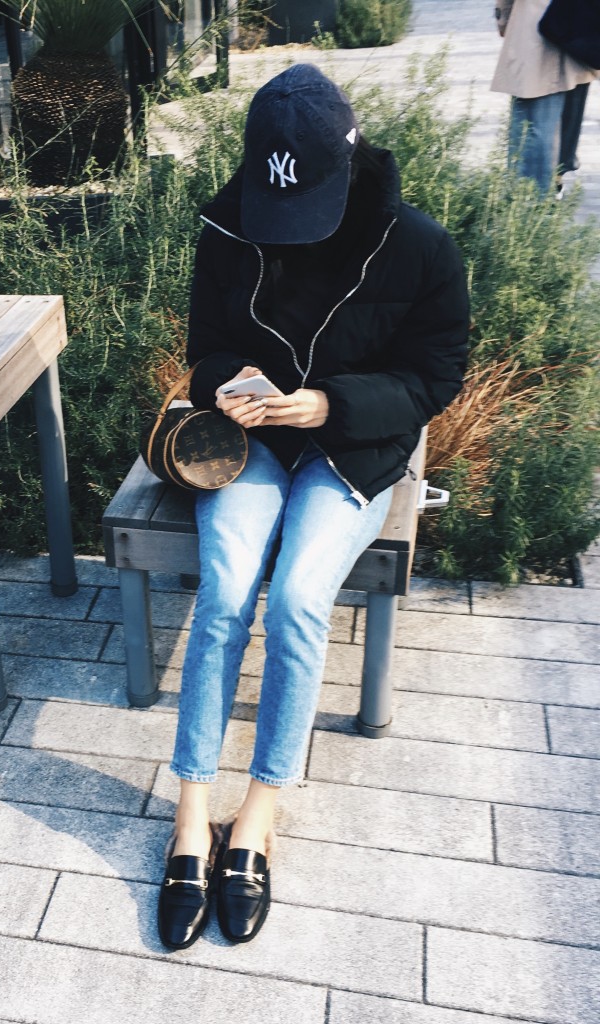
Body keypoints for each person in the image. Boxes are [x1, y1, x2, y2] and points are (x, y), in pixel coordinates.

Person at [156, 64, 470, 951]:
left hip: (353, 448)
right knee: (224, 594)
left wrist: (329, 403)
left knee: (297, 599)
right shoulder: (228, 226)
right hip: (250, 442)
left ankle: (258, 816)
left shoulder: (420, 246)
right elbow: (206, 351)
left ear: (349, 162)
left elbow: (434, 377)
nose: (286, 229)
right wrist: (231, 385)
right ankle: (191, 815)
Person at [492, 0, 597, 192]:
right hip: (580, 29)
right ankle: (552, 182)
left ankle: (531, 197)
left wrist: (503, 17)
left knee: (532, 124)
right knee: (566, 110)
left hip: (536, 33)